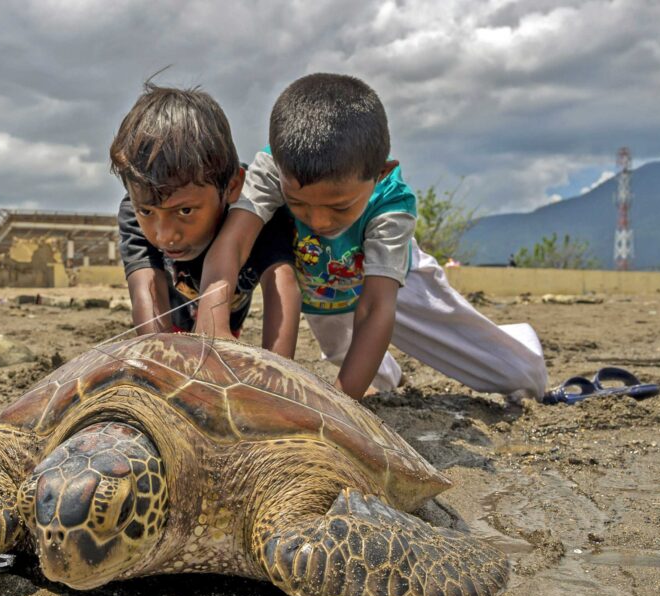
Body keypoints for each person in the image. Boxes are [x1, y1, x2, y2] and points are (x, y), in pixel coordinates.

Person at [195, 73, 548, 402]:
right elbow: (234, 243)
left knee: (519, 374)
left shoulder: (391, 204)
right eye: (298, 203)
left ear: (380, 174)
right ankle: (394, 381)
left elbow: (377, 307)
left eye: (340, 206)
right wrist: (212, 324)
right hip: (324, 291)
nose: (318, 220)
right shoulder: (272, 170)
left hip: (396, 284)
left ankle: (520, 344)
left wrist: (338, 407)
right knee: (345, 356)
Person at [109, 82, 300, 358]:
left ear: (232, 186)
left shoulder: (258, 213)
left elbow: (280, 282)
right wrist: (162, 359)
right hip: (170, 322)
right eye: (147, 212)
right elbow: (147, 288)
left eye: (184, 211)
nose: (165, 236)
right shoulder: (133, 210)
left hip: (226, 324)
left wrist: (278, 375)